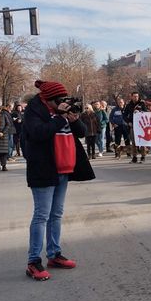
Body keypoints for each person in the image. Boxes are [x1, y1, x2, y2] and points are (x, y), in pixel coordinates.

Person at [23, 80, 95, 281]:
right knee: (41, 215)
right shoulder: (34, 110)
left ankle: (54, 254)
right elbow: (38, 134)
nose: (64, 102)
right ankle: (33, 261)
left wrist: (72, 119)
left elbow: (81, 132)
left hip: (64, 169)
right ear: (50, 99)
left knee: (56, 214)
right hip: (44, 168)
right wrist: (59, 118)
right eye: (60, 99)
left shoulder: (62, 112)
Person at [123, 92, 146, 164]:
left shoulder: (142, 104)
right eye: (134, 96)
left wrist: (140, 111)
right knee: (134, 142)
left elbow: (146, 113)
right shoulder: (129, 105)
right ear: (132, 97)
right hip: (133, 125)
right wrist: (128, 122)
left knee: (142, 141)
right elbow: (124, 115)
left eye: (137, 96)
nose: (136, 98)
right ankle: (134, 157)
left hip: (141, 126)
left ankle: (143, 157)